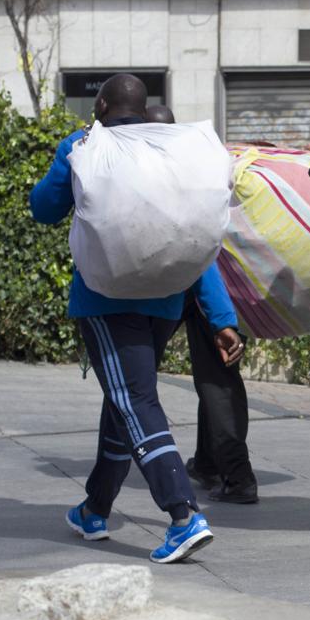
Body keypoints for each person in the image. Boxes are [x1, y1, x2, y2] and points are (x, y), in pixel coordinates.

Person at [30, 74, 214, 564]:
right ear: (144, 106)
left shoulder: (86, 144)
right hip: (165, 303)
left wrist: (73, 157)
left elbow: (43, 209)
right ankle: (95, 509)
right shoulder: (170, 148)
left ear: (102, 105)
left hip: (106, 302)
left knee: (133, 400)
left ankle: (182, 515)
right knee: (122, 402)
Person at [143, 103, 258, 504]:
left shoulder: (153, 175)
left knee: (136, 382)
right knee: (217, 381)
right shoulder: (199, 168)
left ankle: (237, 475)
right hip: (206, 285)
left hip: (180, 287)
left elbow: (198, 254)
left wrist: (223, 318)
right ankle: (212, 465)